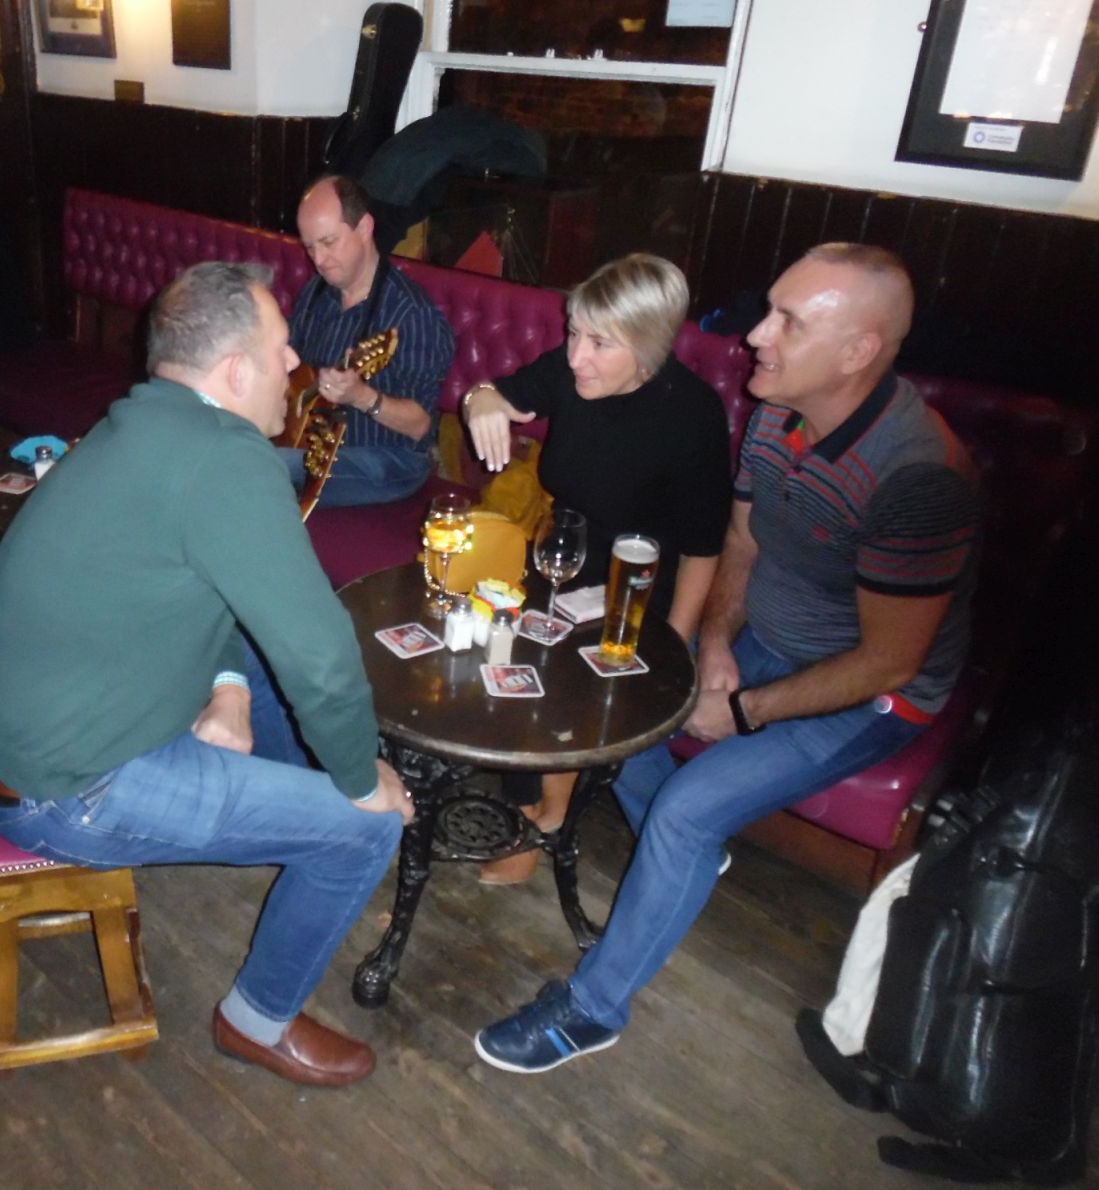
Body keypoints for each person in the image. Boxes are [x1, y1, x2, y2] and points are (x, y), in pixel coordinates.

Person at [475, 243, 980, 1073]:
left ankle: (592, 1011)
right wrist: (707, 646)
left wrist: (741, 709)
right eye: (766, 310)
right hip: (757, 642)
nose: (753, 335)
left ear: (856, 351)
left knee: (684, 809)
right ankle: (686, 857)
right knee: (611, 714)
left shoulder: (917, 477)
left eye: (787, 321)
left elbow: (888, 665)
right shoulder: (778, 415)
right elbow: (737, 542)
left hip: (869, 696)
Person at [0, 261, 413, 1087]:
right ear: (235, 370)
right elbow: (322, 657)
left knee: (266, 682)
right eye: (280, 348)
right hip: (69, 787)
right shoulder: (224, 462)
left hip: (29, 732)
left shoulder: (133, 425)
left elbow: (208, 586)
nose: (294, 364)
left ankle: (293, 829)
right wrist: (359, 780)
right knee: (365, 828)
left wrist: (228, 689)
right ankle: (257, 1019)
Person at [461, 254, 732, 883]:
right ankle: (531, 812)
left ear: (648, 348)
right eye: (574, 333)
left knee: (584, 687)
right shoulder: (571, 368)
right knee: (504, 646)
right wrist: (481, 402)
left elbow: (703, 547)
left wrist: (675, 646)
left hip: (641, 588)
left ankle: (558, 824)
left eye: (600, 343)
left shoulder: (692, 415)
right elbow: (498, 391)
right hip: (565, 557)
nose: (577, 355)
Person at [281, 174, 454, 506]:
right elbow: (292, 368)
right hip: (313, 444)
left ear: (364, 227)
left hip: (390, 459)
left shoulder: (411, 313)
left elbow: (421, 426)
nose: (318, 260)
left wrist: (362, 396)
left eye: (329, 242)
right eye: (310, 247)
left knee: (263, 465)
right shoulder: (317, 292)